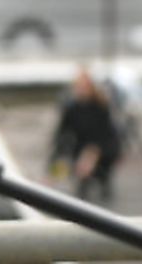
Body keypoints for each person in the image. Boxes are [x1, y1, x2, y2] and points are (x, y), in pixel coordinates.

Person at [51, 67, 122, 203]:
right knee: (66, 160)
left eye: (84, 86)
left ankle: (102, 179)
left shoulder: (101, 106)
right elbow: (61, 134)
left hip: (103, 147)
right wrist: (53, 166)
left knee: (91, 162)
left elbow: (107, 134)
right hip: (81, 146)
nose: (81, 90)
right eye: (78, 86)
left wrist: (92, 153)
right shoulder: (71, 108)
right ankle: (83, 184)